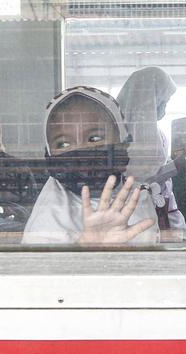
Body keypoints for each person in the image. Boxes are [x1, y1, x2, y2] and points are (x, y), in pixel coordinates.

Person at [21, 86, 158, 245]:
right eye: (64, 144)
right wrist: (87, 247)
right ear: (49, 156)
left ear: (122, 143)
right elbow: (39, 266)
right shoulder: (46, 220)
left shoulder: (137, 197)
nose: (81, 152)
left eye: (94, 138)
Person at [117, 67, 186, 240]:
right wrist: (175, 166)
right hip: (139, 210)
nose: (165, 107)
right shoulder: (125, 136)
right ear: (149, 100)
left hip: (163, 200)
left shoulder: (157, 132)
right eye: (163, 101)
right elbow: (142, 180)